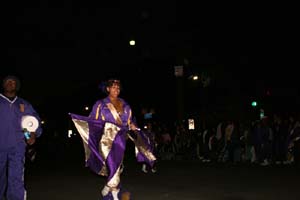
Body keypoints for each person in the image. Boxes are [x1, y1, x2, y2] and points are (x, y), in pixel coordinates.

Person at [70, 79, 156, 200]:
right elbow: (94, 121)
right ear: (108, 89)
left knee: (118, 166)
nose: (116, 90)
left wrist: (132, 125)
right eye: (114, 87)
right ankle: (115, 196)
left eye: (118, 88)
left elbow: (129, 120)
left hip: (121, 139)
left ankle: (107, 186)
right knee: (112, 165)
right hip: (106, 140)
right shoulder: (101, 104)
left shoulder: (125, 104)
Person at [0, 75, 43, 200]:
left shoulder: (24, 104)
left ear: (17, 86)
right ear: (3, 85)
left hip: (18, 146)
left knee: (16, 178)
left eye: (13, 82)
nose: (10, 83)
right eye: (8, 81)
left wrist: (33, 133)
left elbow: (34, 121)